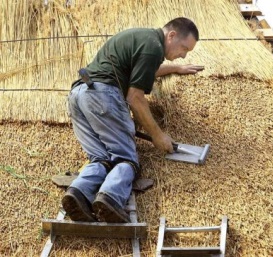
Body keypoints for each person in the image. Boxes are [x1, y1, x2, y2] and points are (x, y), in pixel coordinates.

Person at [62, 17, 203, 223]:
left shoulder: (144, 39)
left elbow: (146, 70)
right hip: (103, 96)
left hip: (79, 95)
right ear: (171, 35)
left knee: (100, 158)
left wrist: (174, 69)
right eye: (184, 49)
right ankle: (110, 198)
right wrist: (157, 135)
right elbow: (135, 98)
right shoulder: (153, 47)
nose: (182, 55)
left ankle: (78, 193)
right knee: (125, 159)